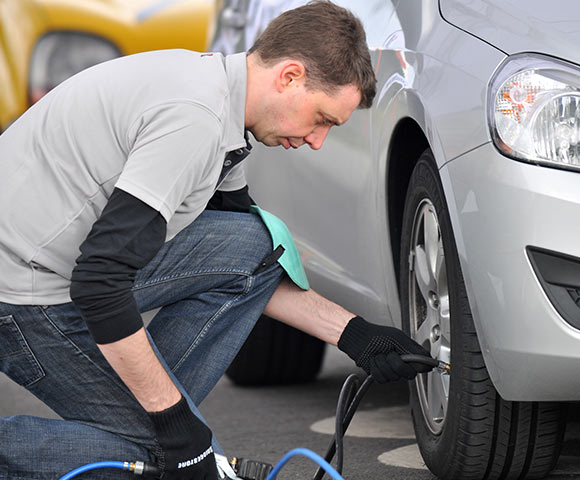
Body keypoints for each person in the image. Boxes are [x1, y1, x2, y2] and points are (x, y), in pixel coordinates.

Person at [0, 1, 430, 478]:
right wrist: (176, 426)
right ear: (290, 77)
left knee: (251, 238)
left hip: (59, 265)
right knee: (165, 453)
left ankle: (154, 422)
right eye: (323, 118)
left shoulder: (221, 102)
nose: (317, 140)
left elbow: (251, 265)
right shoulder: (194, 120)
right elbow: (99, 284)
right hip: (21, 296)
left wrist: (356, 335)